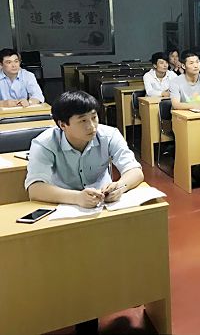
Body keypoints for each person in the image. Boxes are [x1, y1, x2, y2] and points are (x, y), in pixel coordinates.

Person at [24, 90, 144, 335]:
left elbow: (135, 171)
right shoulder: (44, 143)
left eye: (94, 117)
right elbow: (35, 188)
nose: (92, 126)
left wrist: (120, 186)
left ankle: (129, 291)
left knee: (131, 245)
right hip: (65, 207)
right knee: (75, 269)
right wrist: (77, 197)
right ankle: (84, 313)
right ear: (62, 125)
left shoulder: (109, 135)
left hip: (103, 206)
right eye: (82, 121)